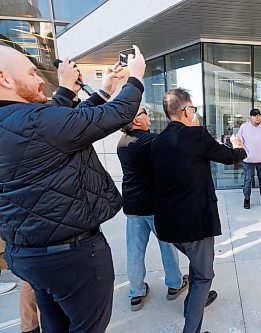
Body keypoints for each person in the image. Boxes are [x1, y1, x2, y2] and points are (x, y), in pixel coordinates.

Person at [0, 44, 145, 332]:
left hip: (27, 256)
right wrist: (136, 77)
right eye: (32, 72)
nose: (42, 79)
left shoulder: (25, 124)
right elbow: (116, 113)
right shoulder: (34, 122)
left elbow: (64, 124)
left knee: (55, 326)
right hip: (72, 256)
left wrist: (101, 91)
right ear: (3, 78)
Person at [151, 88, 246, 333]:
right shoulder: (196, 135)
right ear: (186, 110)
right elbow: (229, 157)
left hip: (169, 225)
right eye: (193, 109)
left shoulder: (157, 142)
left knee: (197, 265)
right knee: (204, 276)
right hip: (196, 224)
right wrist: (238, 146)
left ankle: (194, 302)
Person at [117, 106, 188, 312]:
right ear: (137, 121)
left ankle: (136, 293)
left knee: (135, 251)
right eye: (145, 112)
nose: (148, 115)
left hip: (132, 205)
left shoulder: (122, 143)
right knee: (167, 246)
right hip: (155, 206)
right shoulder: (150, 141)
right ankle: (174, 285)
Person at [237, 108, 261, 209]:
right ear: (251, 117)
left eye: (259, 115)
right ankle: (247, 199)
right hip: (248, 160)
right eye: (255, 115)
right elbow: (240, 142)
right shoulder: (244, 127)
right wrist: (245, 154)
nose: (258, 117)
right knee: (248, 180)